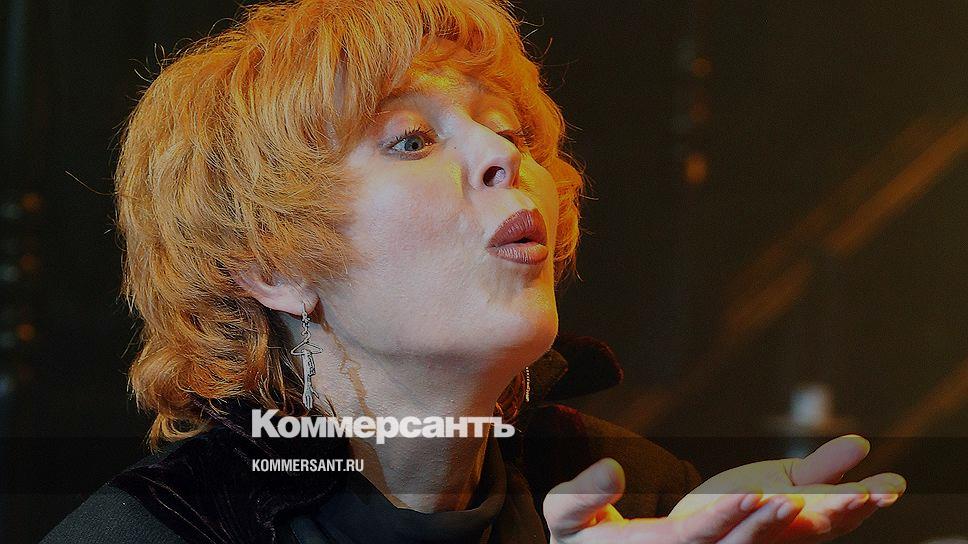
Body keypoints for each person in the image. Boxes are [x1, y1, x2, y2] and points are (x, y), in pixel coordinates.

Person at [42, 0, 906, 542]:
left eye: (510, 130)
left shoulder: (643, 495)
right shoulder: (157, 531)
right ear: (272, 262)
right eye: (411, 140)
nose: (504, 155)